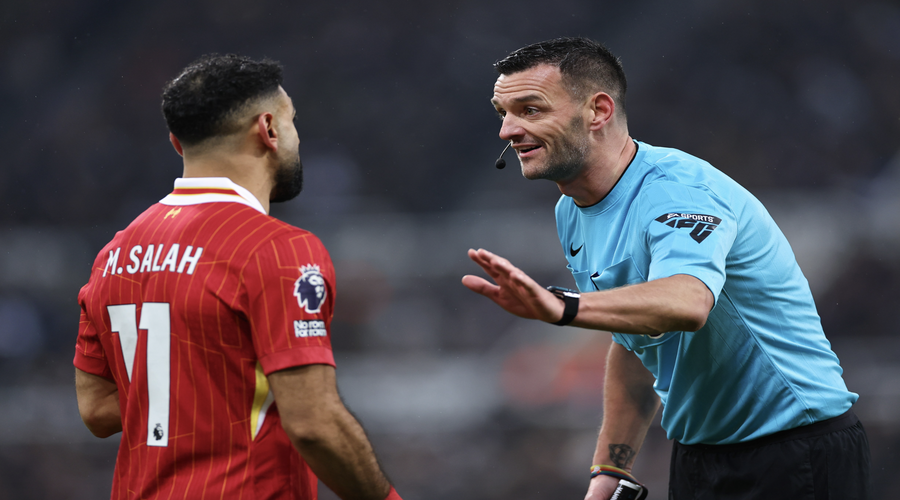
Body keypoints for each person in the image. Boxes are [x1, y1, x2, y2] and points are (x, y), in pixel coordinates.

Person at [462, 37, 870, 500]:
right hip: (699, 457)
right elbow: (637, 344)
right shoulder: (571, 210)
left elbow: (688, 302)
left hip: (796, 452)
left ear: (598, 111)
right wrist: (609, 469)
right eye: (503, 112)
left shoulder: (677, 192)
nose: (507, 130)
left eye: (530, 109)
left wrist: (564, 307)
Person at [74, 54, 402, 500]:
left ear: (177, 143)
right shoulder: (278, 249)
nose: (297, 136)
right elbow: (314, 425)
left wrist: (201, 394)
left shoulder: (114, 255)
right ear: (268, 129)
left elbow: (95, 409)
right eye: (292, 121)